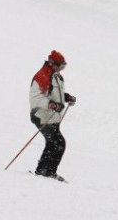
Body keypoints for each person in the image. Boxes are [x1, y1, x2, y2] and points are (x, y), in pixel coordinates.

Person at [29, 50, 76, 181]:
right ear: (52, 63)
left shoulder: (55, 76)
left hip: (51, 116)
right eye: (60, 66)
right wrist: (51, 105)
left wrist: (66, 98)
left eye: (63, 66)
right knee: (58, 143)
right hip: (40, 115)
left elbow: (54, 94)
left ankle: (44, 171)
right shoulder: (42, 76)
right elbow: (36, 98)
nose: (62, 69)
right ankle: (47, 172)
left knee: (54, 143)